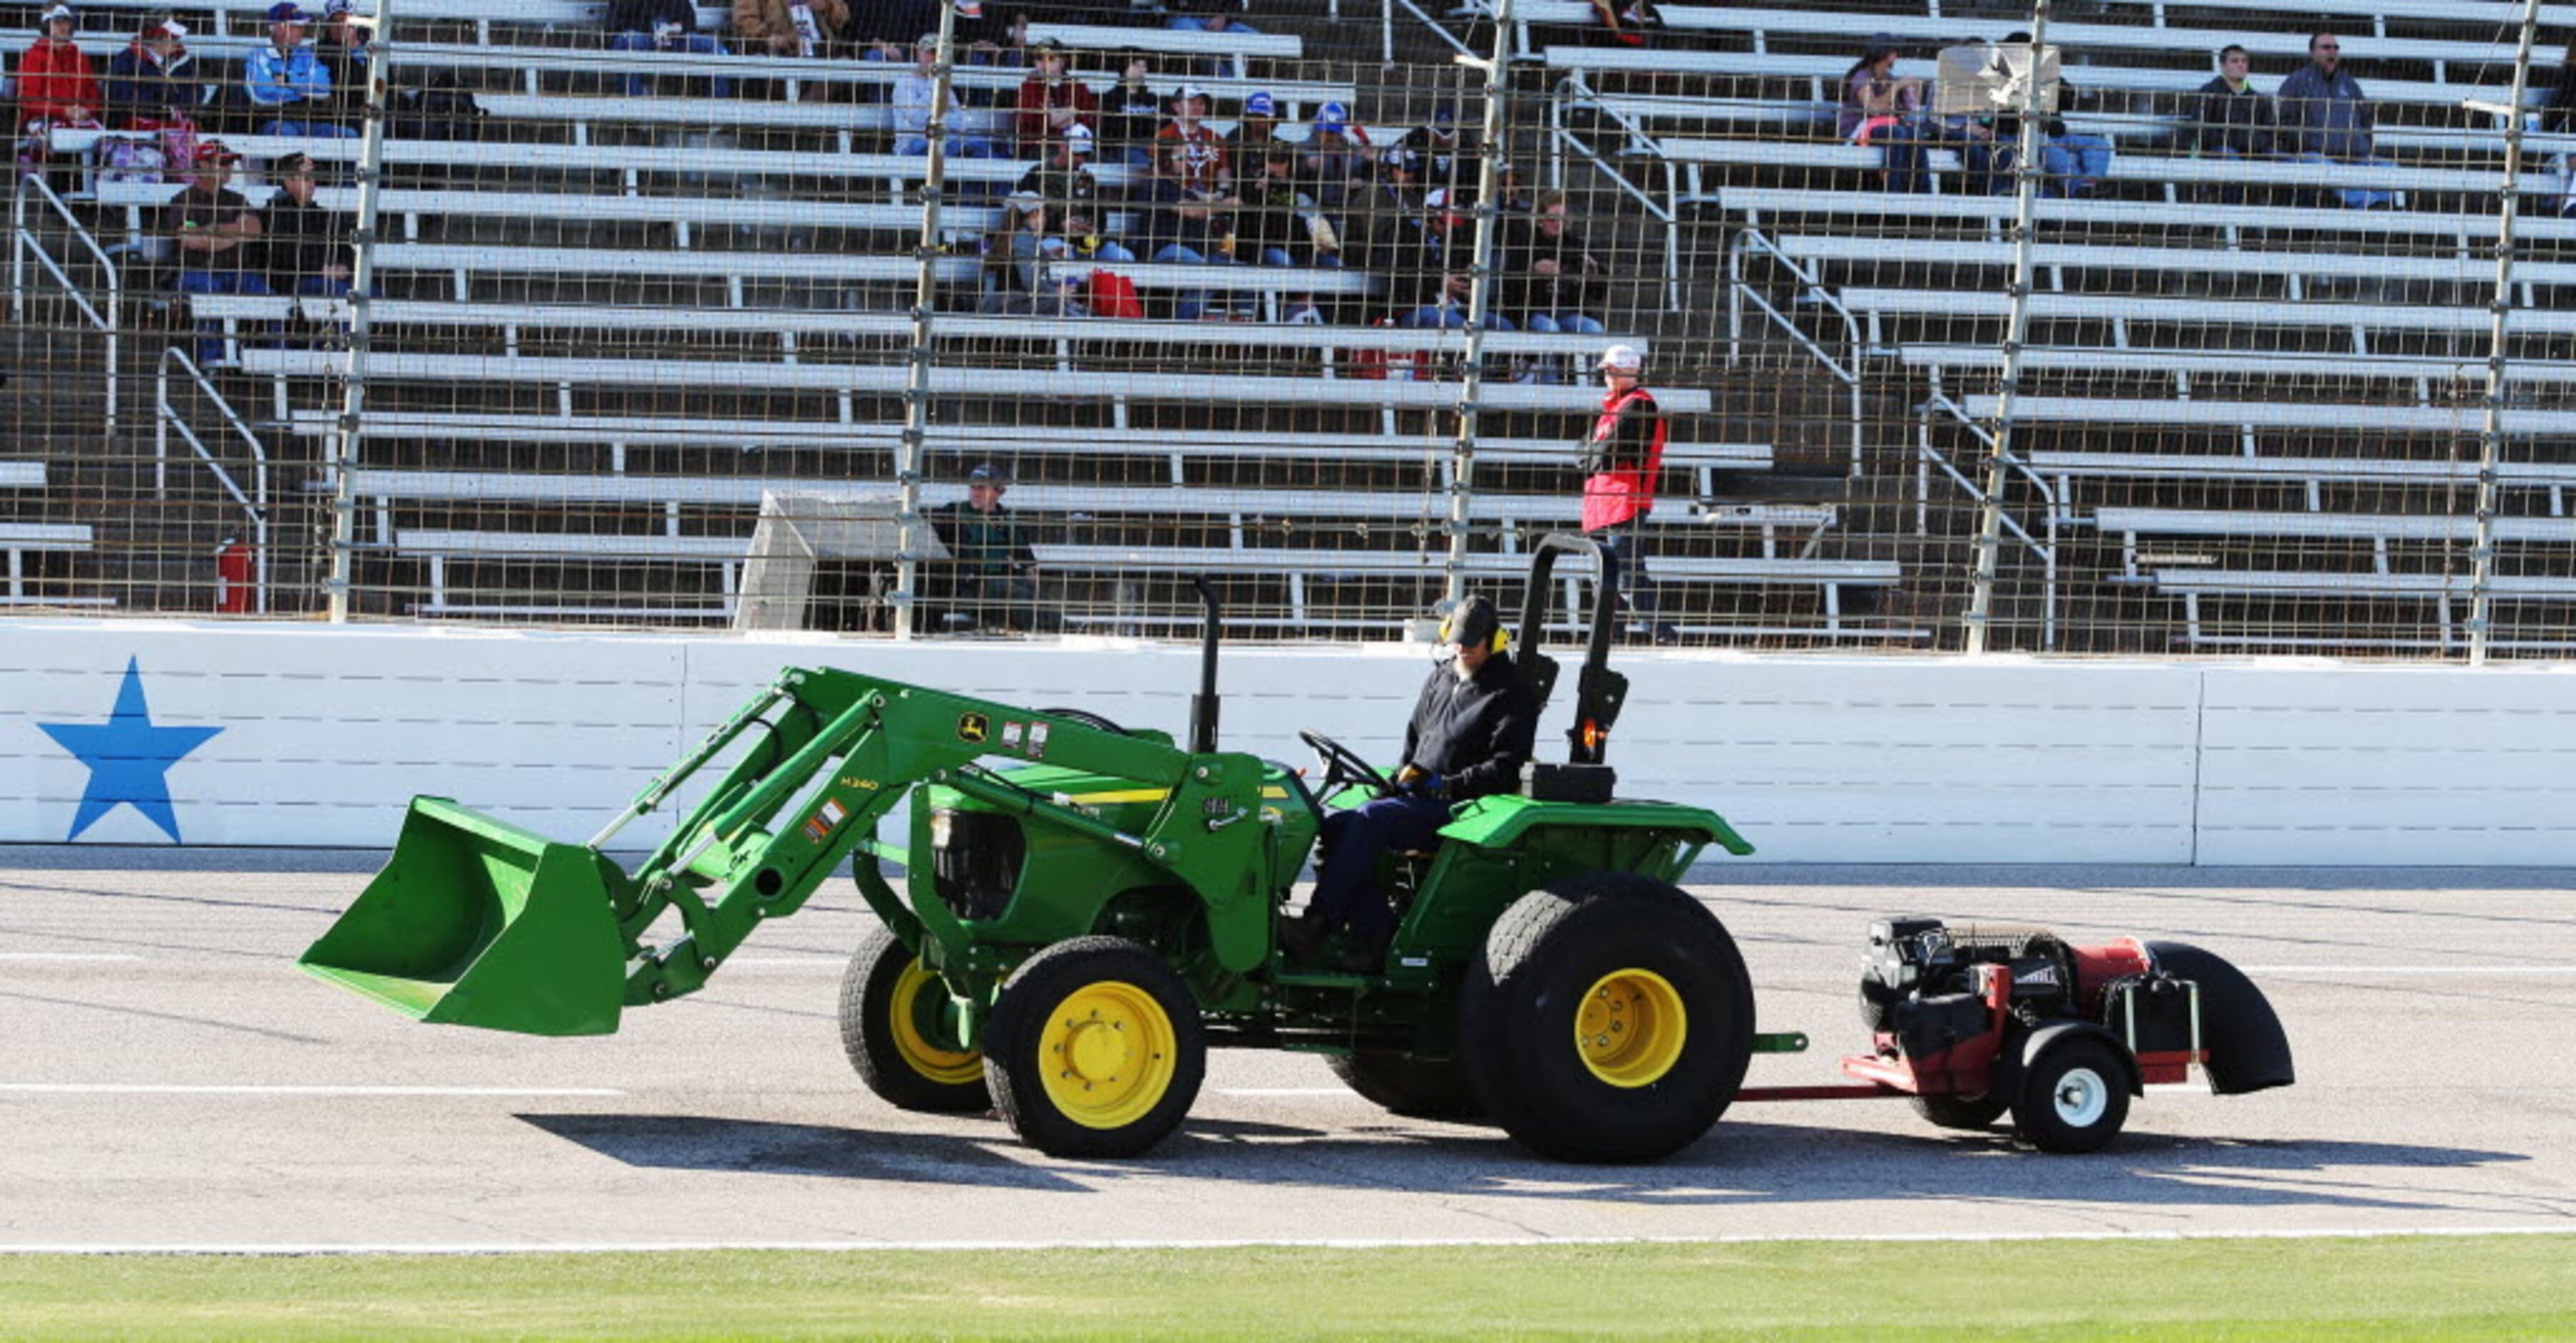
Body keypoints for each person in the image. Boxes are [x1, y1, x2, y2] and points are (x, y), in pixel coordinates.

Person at [1281, 594, 1535, 972]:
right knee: (1335, 825)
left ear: (1494, 641)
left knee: (1372, 819)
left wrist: (1446, 784)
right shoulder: (1442, 677)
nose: (1463, 650)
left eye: (1471, 643)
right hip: (1421, 795)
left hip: (1465, 807)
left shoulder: (1511, 691)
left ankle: (1318, 923)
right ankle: (1375, 930)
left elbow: (1505, 766)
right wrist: (1399, 780)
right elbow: (1415, 738)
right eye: (1457, 641)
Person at [1578, 343, 1675, 644]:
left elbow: (1604, 453)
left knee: (1628, 573)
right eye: (1605, 371)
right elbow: (1586, 455)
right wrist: (1595, 453)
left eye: (1610, 371)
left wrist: (1595, 453)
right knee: (1603, 576)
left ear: (1627, 371)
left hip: (1624, 499)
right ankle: (1609, 635)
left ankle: (1661, 632)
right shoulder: (1614, 408)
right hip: (1602, 502)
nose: (1606, 376)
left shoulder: (1638, 405)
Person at [162, 141, 272, 365]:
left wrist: (214, 232)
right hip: (194, 272)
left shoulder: (237, 199)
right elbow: (190, 239)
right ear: (202, 165)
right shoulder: (183, 200)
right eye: (222, 163)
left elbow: (254, 230)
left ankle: (269, 359)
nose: (229, 168)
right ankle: (213, 359)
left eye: (230, 163)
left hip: (235, 272)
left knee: (267, 295)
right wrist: (234, 233)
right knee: (208, 290)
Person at [928, 463, 1063, 634]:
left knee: (1026, 590)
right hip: (970, 586)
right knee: (1007, 589)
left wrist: (1029, 578)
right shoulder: (953, 512)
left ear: (999, 492)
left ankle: (1053, 628)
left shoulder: (1006, 521)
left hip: (999, 581)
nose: (976, 493)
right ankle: (1061, 628)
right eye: (973, 488)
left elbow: (1027, 561)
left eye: (983, 488)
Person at [2278, 31, 2391, 209]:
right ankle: (2371, 205)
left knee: (2389, 166)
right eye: (2326, 47)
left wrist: (2363, 146)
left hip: (2354, 156)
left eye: (2335, 48)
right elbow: (2286, 123)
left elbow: (2365, 120)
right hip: (2316, 156)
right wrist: (2310, 144)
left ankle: (2384, 205)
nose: (2332, 52)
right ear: (2312, 52)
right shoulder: (2297, 82)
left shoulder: (2349, 83)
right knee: (2323, 166)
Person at [1502, 188, 1608, 335]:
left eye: (1562, 219)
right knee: (1550, 328)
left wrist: (1593, 273)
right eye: (1552, 219)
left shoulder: (1575, 244)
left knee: (1593, 328)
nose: (1558, 224)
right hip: (1532, 310)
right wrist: (1531, 271)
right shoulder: (1524, 242)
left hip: (1566, 310)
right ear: (1539, 219)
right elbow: (1509, 285)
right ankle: (1545, 360)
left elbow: (1599, 293)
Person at [243, 4, 353, 137]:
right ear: (281, 28)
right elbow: (261, 95)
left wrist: (287, 81)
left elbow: (323, 88)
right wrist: (305, 93)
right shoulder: (258, 56)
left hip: (308, 122)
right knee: (286, 132)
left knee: (349, 134)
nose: (302, 30)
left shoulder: (306, 55)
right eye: (297, 26)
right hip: (272, 122)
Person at [1838, 33, 1926, 193]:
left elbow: (1907, 110)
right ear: (1883, 53)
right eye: (1893, 51)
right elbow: (1873, 108)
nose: (1896, 56)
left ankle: (1923, 193)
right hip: (1859, 131)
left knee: (1915, 134)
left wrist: (1913, 90)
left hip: (1884, 128)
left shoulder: (1890, 77)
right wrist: (1897, 86)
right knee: (1897, 133)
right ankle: (1894, 192)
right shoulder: (1862, 76)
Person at [260, 150, 352, 297]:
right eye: (306, 178)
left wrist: (344, 267)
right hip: (291, 284)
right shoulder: (272, 215)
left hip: (326, 280)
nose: (312, 183)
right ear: (288, 181)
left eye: (313, 178)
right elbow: (282, 257)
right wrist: (322, 270)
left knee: (370, 292)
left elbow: (345, 250)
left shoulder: (323, 215)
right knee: (334, 289)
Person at [605, 0, 734, 99]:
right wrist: (653, 30)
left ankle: (713, 115)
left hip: (675, 39)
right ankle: (634, 113)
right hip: (640, 40)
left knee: (714, 48)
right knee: (628, 42)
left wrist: (674, 28)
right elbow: (615, 28)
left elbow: (688, 20)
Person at [893, 34, 995, 157]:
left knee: (982, 145)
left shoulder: (944, 84)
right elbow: (917, 118)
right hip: (913, 145)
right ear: (918, 53)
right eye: (931, 53)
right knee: (968, 147)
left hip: (945, 139)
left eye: (939, 54)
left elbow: (959, 121)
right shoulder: (904, 83)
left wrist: (937, 119)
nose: (935, 58)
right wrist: (934, 83)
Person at [104, 16, 195, 128]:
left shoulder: (182, 60)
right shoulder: (128, 60)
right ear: (156, 40)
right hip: (138, 125)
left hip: (176, 123)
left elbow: (196, 90)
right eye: (172, 38)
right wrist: (162, 109)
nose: (177, 43)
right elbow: (122, 96)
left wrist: (178, 108)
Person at [1012, 36, 1096, 153]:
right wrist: (1070, 113)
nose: (1044, 63)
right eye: (1039, 58)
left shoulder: (1077, 87)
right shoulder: (1028, 87)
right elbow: (1031, 120)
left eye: (1051, 58)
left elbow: (1090, 118)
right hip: (1039, 147)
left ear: (1062, 61)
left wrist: (1053, 117)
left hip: (1075, 147)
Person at [734, 0, 848, 59]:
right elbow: (744, 20)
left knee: (845, 66)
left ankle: (806, 102)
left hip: (822, 49)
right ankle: (807, 102)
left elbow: (843, 17)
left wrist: (826, 6)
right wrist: (767, 37)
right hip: (783, 50)